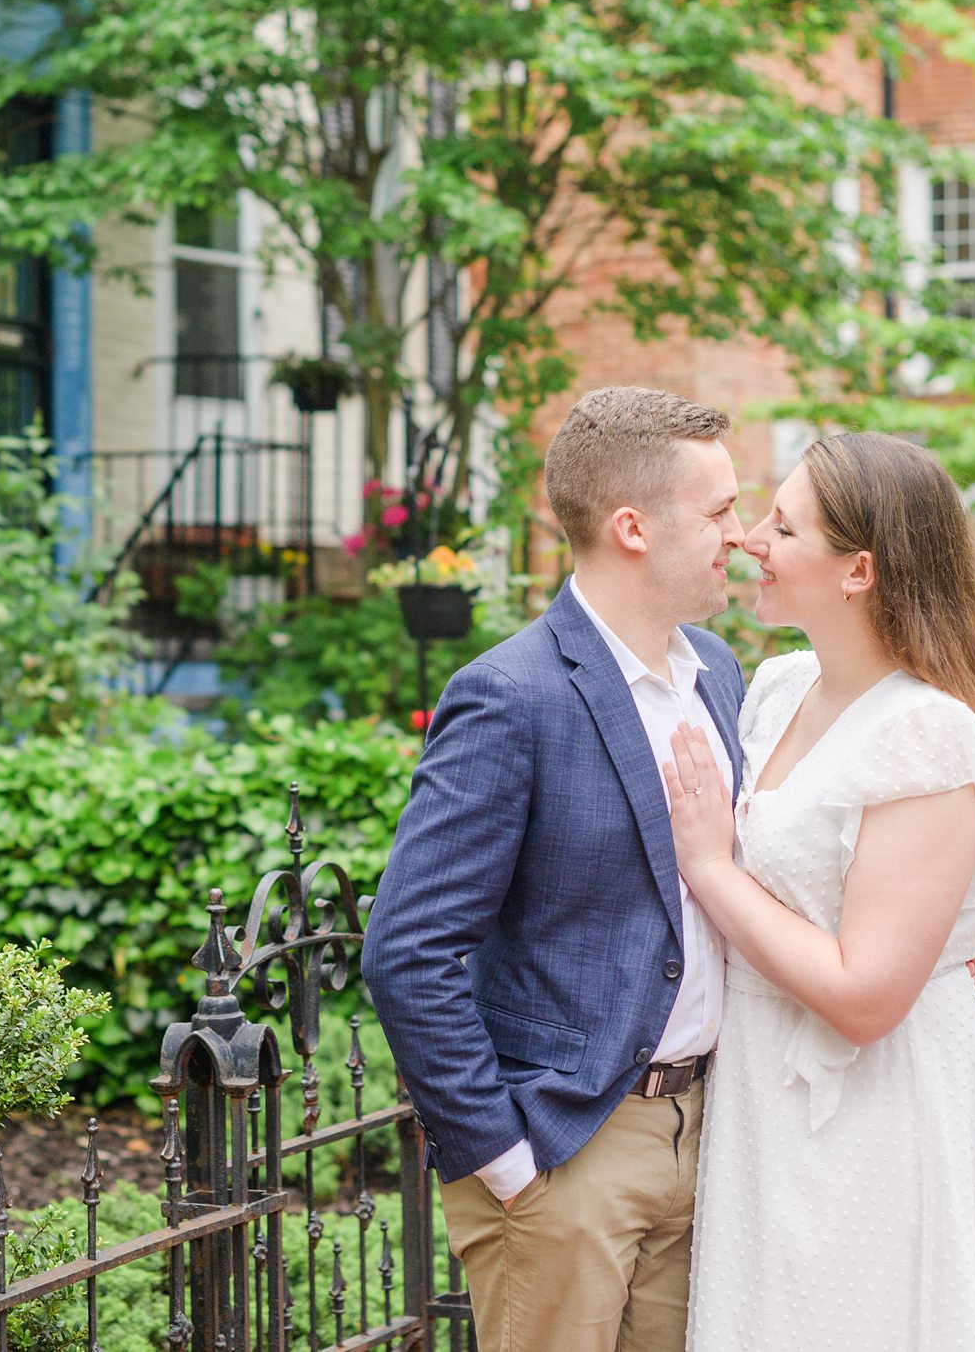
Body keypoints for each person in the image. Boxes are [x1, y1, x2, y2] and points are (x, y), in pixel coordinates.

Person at [364, 385, 749, 1352]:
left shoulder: (719, 670)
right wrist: (503, 1160)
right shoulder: (510, 694)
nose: (738, 536)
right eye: (718, 511)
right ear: (632, 526)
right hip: (567, 1150)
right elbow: (407, 950)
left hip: (711, 1133)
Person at [659, 432, 975, 1352]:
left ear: (859, 571)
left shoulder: (928, 735)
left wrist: (713, 867)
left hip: (873, 1102)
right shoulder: (777, 686)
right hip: (763, 1086)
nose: (750, 537)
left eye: (783, 525)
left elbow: (865, 994)